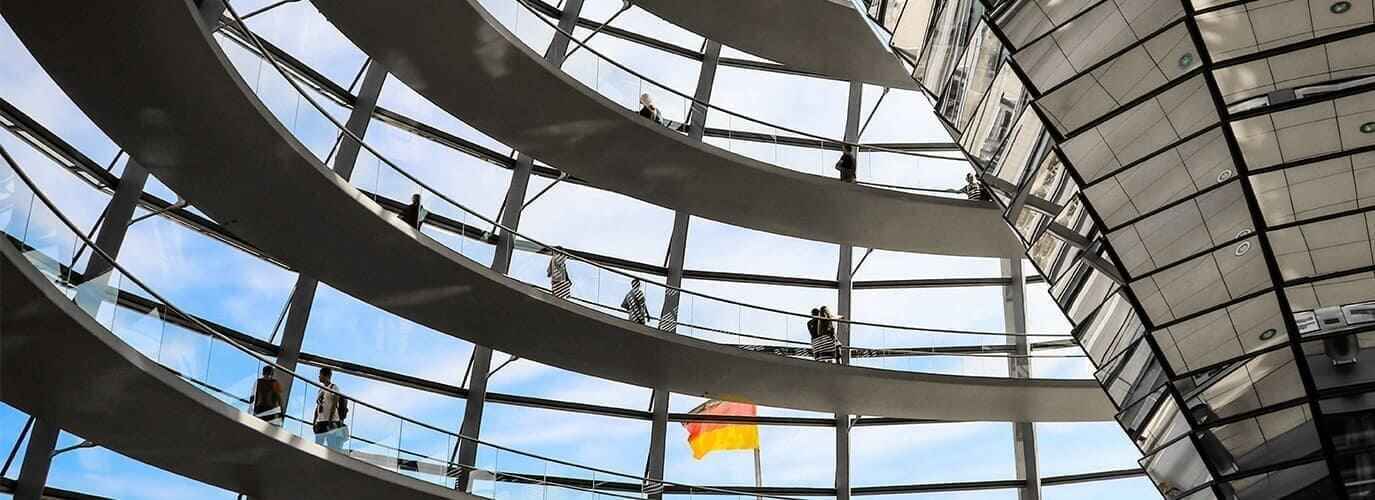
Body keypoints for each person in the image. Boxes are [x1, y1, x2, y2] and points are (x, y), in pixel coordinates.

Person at [313, 367, 349, 451]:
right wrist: (314, 421)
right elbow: (318, 406)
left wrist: (330, 421)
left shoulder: (334, 387)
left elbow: (334, 404)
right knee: (317, 447)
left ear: (326, 376)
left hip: (331, 421)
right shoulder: (320, 390)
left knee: (332, 447)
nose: (319, 377)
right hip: (320, 421)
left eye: (320, 375)